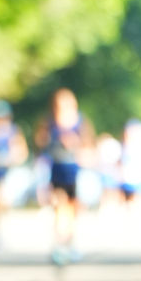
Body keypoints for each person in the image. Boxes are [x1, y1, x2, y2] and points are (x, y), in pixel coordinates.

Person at [35, 88, 95, 265]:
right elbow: (40, 143)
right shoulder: (49, 123)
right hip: (57, 169)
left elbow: (89, 145)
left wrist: (75, 144)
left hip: (75, 171)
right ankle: (59, 244)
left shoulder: (81, 122)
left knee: (74, 209)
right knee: (59, 207)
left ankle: (70, 243)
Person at [0, 100, 28, 250]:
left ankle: (4, 233)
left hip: (7, 174)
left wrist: (9, 159)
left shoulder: (13, 132)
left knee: (1, 199)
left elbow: (21, 153)